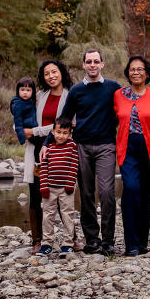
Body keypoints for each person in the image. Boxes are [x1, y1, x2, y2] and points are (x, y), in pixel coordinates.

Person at [60, 48, 121, 256]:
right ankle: (92, 240)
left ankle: (108, 241)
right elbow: (65, 119)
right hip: (82, 146)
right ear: (83, 65)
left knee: (106, 192)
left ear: (102, 64)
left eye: (96, 61)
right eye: (89, 62)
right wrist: (48, 144)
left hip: (106, 145)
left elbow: (131, 104)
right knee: (86, 194)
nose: (92, 65)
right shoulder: (76, 91)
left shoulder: (113, 87)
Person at [114, 56, 150, 257]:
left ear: (147, 73)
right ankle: (131, 244)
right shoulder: (118, 95)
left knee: (147, 197)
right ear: (127, 73)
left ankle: (142, 242)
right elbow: (109, 119)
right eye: (132, 69)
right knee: (130, 190)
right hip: (128, 149)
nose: (135, 72)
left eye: (140, 69)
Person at [22, 59, 73, 254]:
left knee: (63, 195)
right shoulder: (39, 95)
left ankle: (71, 239)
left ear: (61, 72)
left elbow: (68, 125)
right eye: (46, 73)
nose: (51, 76)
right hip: (37, 151)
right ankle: (38, 240)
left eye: (54, 71)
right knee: (36, 194)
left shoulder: (71, 95)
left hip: (62, 151)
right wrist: (20, 129)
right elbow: (22, 112)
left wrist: (33, 131)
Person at [36, 116, 78, 259]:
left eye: (65, 133)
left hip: (66, 189)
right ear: (53, 131)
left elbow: (74, 165)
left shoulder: (72, 146)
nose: (61, 136)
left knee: (67, 215)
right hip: (50, 188)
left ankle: (68, 243)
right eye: (59, 132)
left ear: (70, 134)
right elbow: (44, 168)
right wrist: (44, 187)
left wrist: (70, 184)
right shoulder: (49, 147)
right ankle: (46, 243)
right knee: (48, 215)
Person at [10, 77, 42, 147]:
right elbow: (18, 122)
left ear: (33, 91)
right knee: (40, 145)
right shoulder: (18, 104)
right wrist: (22, 137)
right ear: (18, 90)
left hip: (35, 129)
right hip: (28, 131)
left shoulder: (30, 101)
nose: (25, 92)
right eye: (22, 90)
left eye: (28, 90)